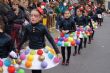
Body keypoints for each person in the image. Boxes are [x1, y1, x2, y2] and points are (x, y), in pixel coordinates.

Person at [18, 9, 61, 73]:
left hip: (40, 52)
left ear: (40, 17)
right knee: (33, 67)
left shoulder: (43, 27)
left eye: (35, 16)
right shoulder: (27, 27)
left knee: (38, 68)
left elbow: (50, 39)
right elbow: (24, 38)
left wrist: (57, 52)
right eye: (31, 15)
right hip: (31, 51)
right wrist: (18, 48)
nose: (33, 17)